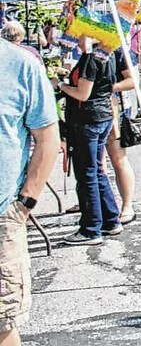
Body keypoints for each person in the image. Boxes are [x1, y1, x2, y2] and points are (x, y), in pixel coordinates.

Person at [0, 36, 61, 344]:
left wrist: (25, 202)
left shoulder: (21, 64)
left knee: (3, 322)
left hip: (2, 217)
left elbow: (48, 137)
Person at [54, 35, 123, 245]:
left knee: (87, 174)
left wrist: (60, 85)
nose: (76, 38)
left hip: (88, 119)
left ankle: (91, 228)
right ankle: (110, 219)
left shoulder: (92, 58)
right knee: (96, 170)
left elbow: (83, 94)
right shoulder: (107, 55)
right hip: (100, 116)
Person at [106, 47, 139, 225]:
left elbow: (132, 80)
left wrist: (106, 87)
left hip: (114, 108)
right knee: (94, 162)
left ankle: (127, 205)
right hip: (86, 110)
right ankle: (98, 202)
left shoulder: (118, 48)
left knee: (118, 158)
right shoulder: (78, 43)